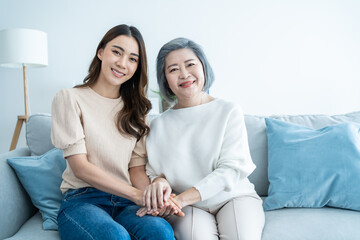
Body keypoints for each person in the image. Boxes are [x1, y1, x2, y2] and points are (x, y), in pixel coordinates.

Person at [51, 24, 177, 240]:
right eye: (116, 52)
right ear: (101, 52)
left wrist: (152, 199)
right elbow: (80, 167)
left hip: (125, 203)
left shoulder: (139, 109)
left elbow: (135, 169)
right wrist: (136, 195)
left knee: (161, 232)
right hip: (83, 200)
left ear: (137, 66)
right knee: (114, 236)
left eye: (132, 59)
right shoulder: (69, 98)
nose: (122, 63)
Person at [137, 38, 265, 240]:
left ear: (203, 67)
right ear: (165, 79)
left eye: (190, 64)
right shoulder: (157, 125)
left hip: (233, 197)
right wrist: (160, 184)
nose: (184, 74)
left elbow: (231, 169)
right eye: (173, 69)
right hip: (190, 208)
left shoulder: (228, 110)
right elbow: (154, 172)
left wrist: (180, 199)